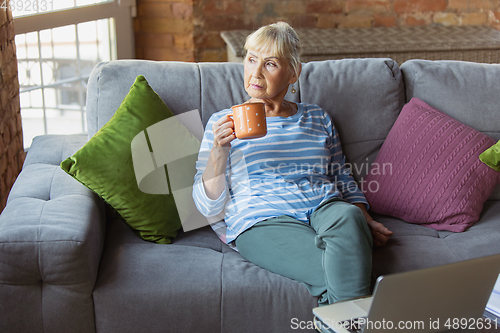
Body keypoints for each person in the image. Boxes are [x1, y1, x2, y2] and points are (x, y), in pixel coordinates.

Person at [192, 21, 393, 305]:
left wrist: (365, 220)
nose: (256, 73)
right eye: (251, 60)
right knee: (343, 275)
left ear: (293, 72)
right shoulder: (222, 123)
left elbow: (341, 178)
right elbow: (207, 206)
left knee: (349, 217)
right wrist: (218, 150)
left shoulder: (318, 118)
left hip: (325, 207)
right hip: (262, 218)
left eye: (270, 64)